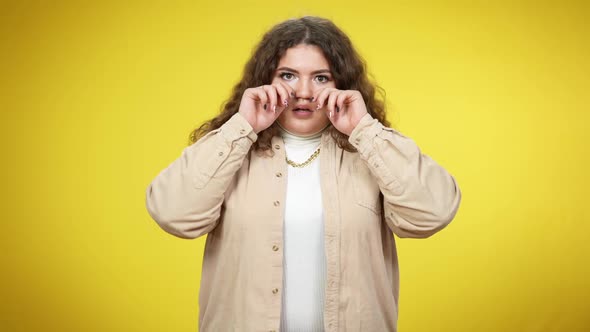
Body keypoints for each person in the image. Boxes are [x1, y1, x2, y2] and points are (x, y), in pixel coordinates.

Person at [145, 16, 461, 332]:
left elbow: (432, 214)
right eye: (288, 75)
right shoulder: (232, 149)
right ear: (265, 80)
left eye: (321, 77)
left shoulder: (372, 151)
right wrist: (242, 127)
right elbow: (173, 214)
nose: (305, 92)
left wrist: (364, 130)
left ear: (342, 84)